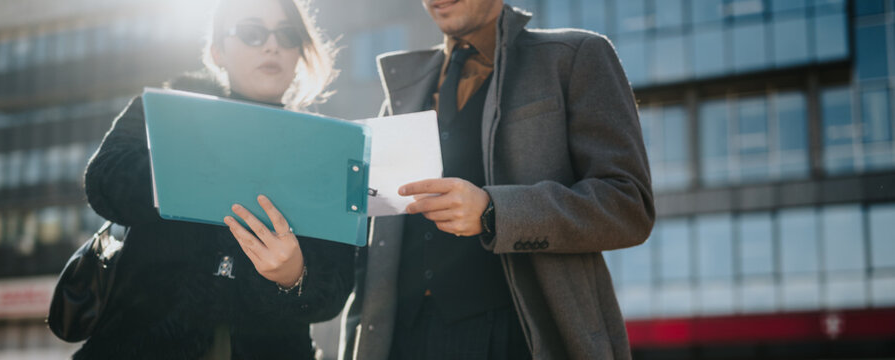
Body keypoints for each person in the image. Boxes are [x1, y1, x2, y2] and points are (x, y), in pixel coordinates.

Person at [342, 1, 655, 359]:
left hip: (519, 337)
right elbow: (371, 245)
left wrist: (494, 211)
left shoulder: (575, 55)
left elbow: (627, 205)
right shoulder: (404, 89)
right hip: (400, 340)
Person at [78, 0, 353, 358]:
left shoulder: (326, 149)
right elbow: (104, 184)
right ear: (217, 51)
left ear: (300, 52)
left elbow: (334, 291)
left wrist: (292, 274)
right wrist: (202, 160)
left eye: (288, 35)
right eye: (252, 32)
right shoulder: (165, 111)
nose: (272, 46)